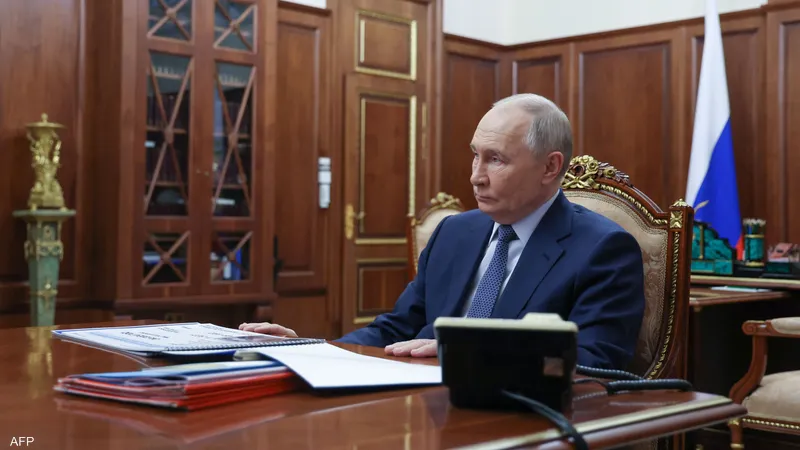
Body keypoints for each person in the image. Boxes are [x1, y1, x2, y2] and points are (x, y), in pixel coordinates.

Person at [241, 93, 645, 370]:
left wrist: (466, 352)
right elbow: (395, 328)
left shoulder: (603, 249)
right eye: (475, 156)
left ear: (550, 167)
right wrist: (308, 350)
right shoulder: (454, 232)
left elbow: (595, 362)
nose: (476, 177)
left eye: (496, 160)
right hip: (418, 405)